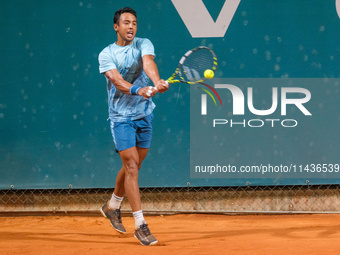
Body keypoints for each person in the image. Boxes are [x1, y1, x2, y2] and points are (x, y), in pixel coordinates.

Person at [98, 7, 168, 246]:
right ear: (116, 27)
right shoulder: (106, 54)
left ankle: (112, 206)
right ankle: (141, 225)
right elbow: (117, 81)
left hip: (145, 114)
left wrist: (156, 81)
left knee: (135, 165)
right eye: (126, 23)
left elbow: (148, 63)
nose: (131, 27)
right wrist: (139, 89)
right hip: (121, 117)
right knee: (131, 167)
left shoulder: (143, 43)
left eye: (134, 23)